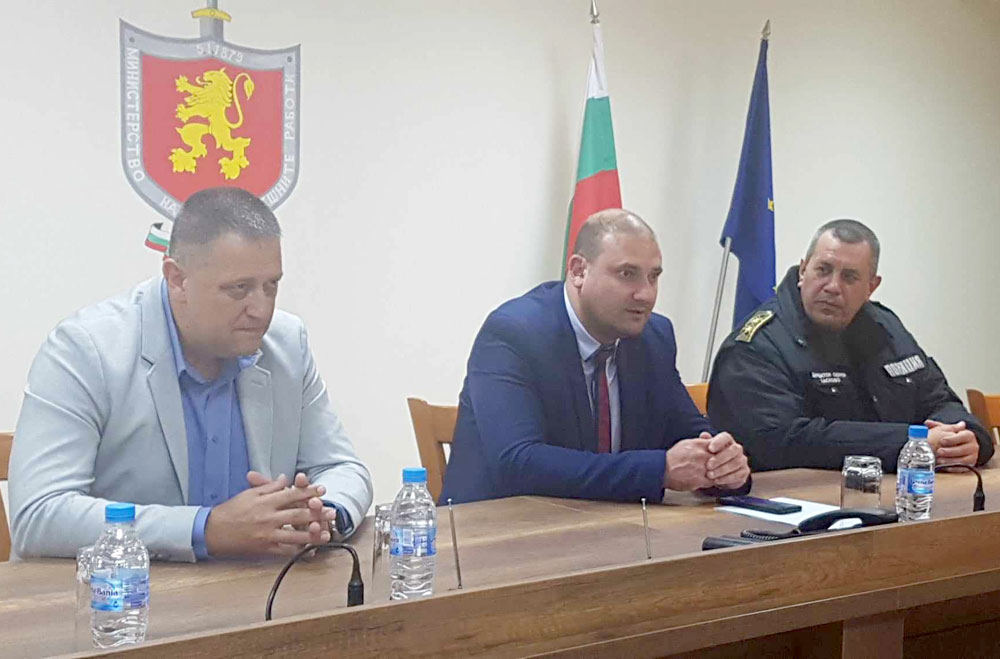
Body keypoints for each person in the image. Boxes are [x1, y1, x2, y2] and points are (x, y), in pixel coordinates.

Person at [10, 187, 373, 561]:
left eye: (271, 286)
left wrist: (323, 515)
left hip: (258, 589)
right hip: (120, 593)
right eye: (239, 289)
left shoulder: (286, 343)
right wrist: (206, 529)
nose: (261, 310)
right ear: (177, 278)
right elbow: (39, 515)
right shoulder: (86, 350)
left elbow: (342, 467)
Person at [440, 209, 751, 504]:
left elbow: (688, 431)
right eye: (627, 274)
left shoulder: (653, 338)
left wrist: (722, 464)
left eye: (653, 277)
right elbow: (518, 462)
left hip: (605, 527)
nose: (645, 294)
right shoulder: (513, 334)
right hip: (496, 530)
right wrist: (659, 470)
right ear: (579, 271)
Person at [708, 218, 994, 472]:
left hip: (895, 493)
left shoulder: (885, 326)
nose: (832, 286)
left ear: (872, 286)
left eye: (849, 277)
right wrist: (910, 444)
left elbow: (938, 400)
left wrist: (966, 438)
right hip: (795, 501)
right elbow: (784, 441)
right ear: (803, 271)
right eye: (823, 270)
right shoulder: (756, 346)